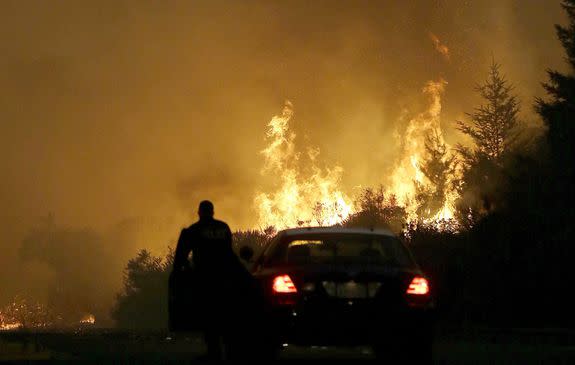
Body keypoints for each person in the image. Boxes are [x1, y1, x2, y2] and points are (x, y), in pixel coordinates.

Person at [170, 200, 256, 360]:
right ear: (213, 212)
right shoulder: (223, 228)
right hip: (225, 279)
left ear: (199, 212)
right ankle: (231, 350)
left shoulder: (193, 231)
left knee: (209, 315)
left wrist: (183, 272)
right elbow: (229, 254)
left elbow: (180, 258)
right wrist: (244, 275)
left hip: (205, 280)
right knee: (227, 314)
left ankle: (214, 351)